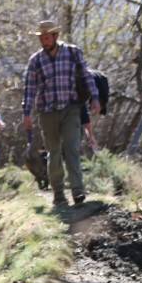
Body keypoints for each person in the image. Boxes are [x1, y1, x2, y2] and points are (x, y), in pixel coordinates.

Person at [22, 20, 100, 206]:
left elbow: (85, 76)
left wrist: (94, 97)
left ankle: (78, 191)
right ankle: (58, 193)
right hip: (47, 112)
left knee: (72, 147)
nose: (44, 42)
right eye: (41, 38)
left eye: (47, 38)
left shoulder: (73, 53)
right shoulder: (36, 61)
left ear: (56, 36)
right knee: (53, 151)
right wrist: (26, 113)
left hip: (71, 108)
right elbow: (29, 88)